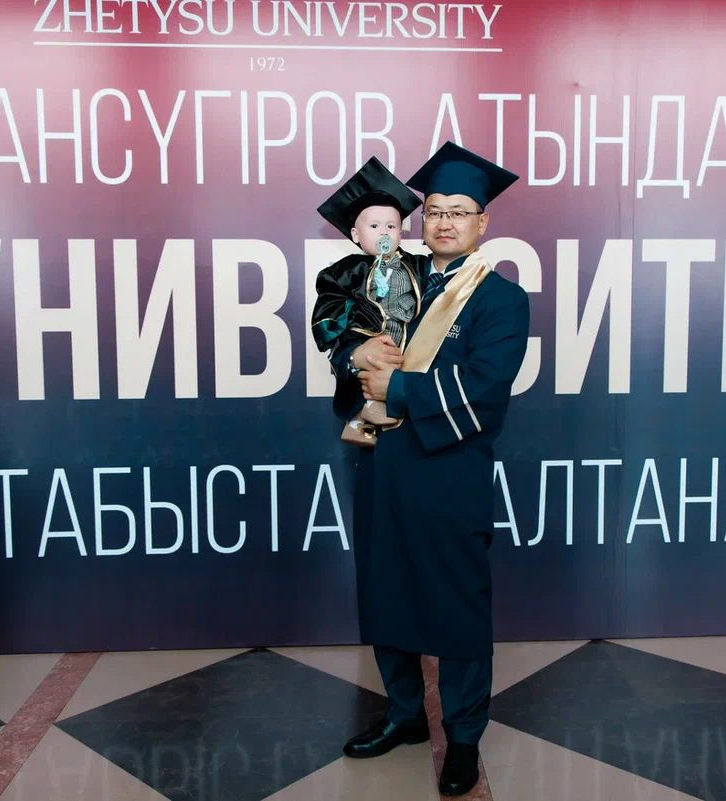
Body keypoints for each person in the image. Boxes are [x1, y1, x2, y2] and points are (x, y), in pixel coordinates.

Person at [331, 142, 529, 797]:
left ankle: (464, 736)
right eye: (435, 211)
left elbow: (485, 389)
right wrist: (355, 354)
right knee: (387, 595)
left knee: (457, 607)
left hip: (450, 473)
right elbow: (347, 338)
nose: (444, 222)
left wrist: (398, 386)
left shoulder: (500, 299)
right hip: (382, 466)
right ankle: (406, 714)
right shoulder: (394, 278)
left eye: (459, 212)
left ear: (482, 223)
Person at [311, 156, 426, 443]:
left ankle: (375, 415)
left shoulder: (417, 266)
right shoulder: (346, 271)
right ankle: (364, 413)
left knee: (399, 369)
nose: (384, 232)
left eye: (391, 226)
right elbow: (330, 304)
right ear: (355, 234)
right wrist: (356, 321)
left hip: (406, 339)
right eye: (374, 226)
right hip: (369, 335)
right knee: (368, 368)